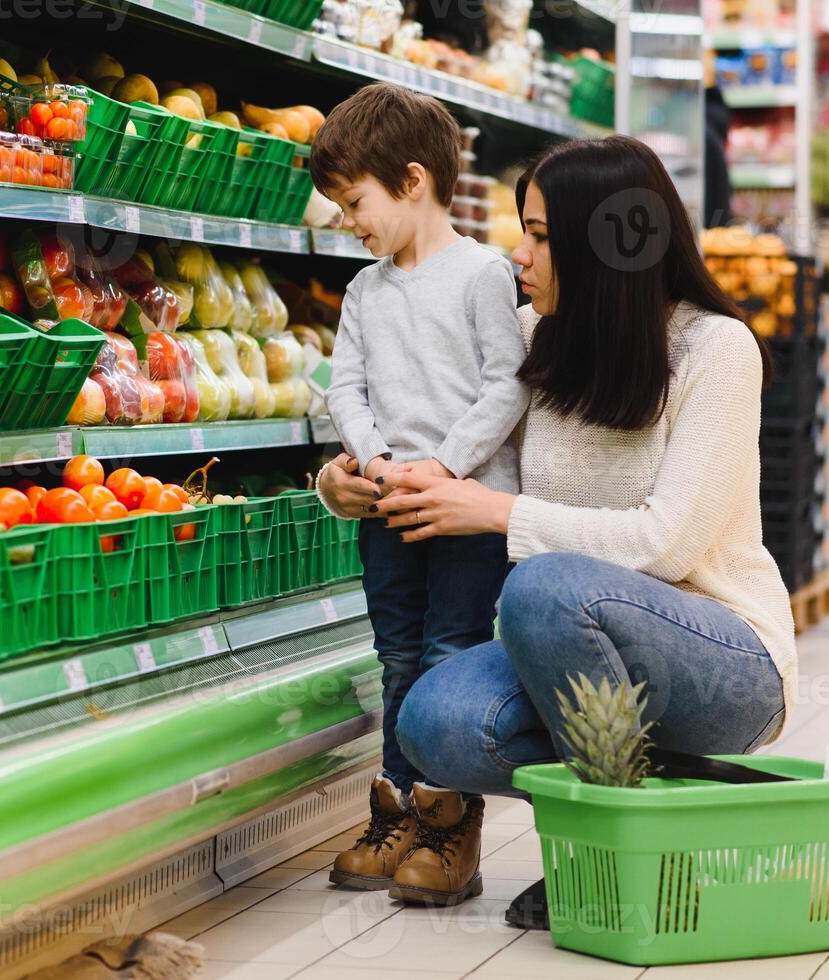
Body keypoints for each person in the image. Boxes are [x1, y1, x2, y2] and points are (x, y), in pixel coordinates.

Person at [316, 135, 795, 928]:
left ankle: (607, 858)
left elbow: (667, 543)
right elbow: (437, 444)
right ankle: (654, 790)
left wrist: (498, 515)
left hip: (724, 659)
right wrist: (344, 483)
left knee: (543, 584)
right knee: (432, 721)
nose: (518, 254)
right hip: (572, 658)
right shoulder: (536, 343)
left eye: (539, 235)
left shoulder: (715, 349)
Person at [308, 83, 528, 900]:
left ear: (412, 180)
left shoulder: (481, 275)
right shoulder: (365, 292)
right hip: (388, 507)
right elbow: (346, 389)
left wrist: (444, 465)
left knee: (449, 655)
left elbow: (507, 388)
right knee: (398, 656)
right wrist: (370, 462)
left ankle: (449, 820)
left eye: (354, 200)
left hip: (466, 510)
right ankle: (397, 808)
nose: (348, 221)